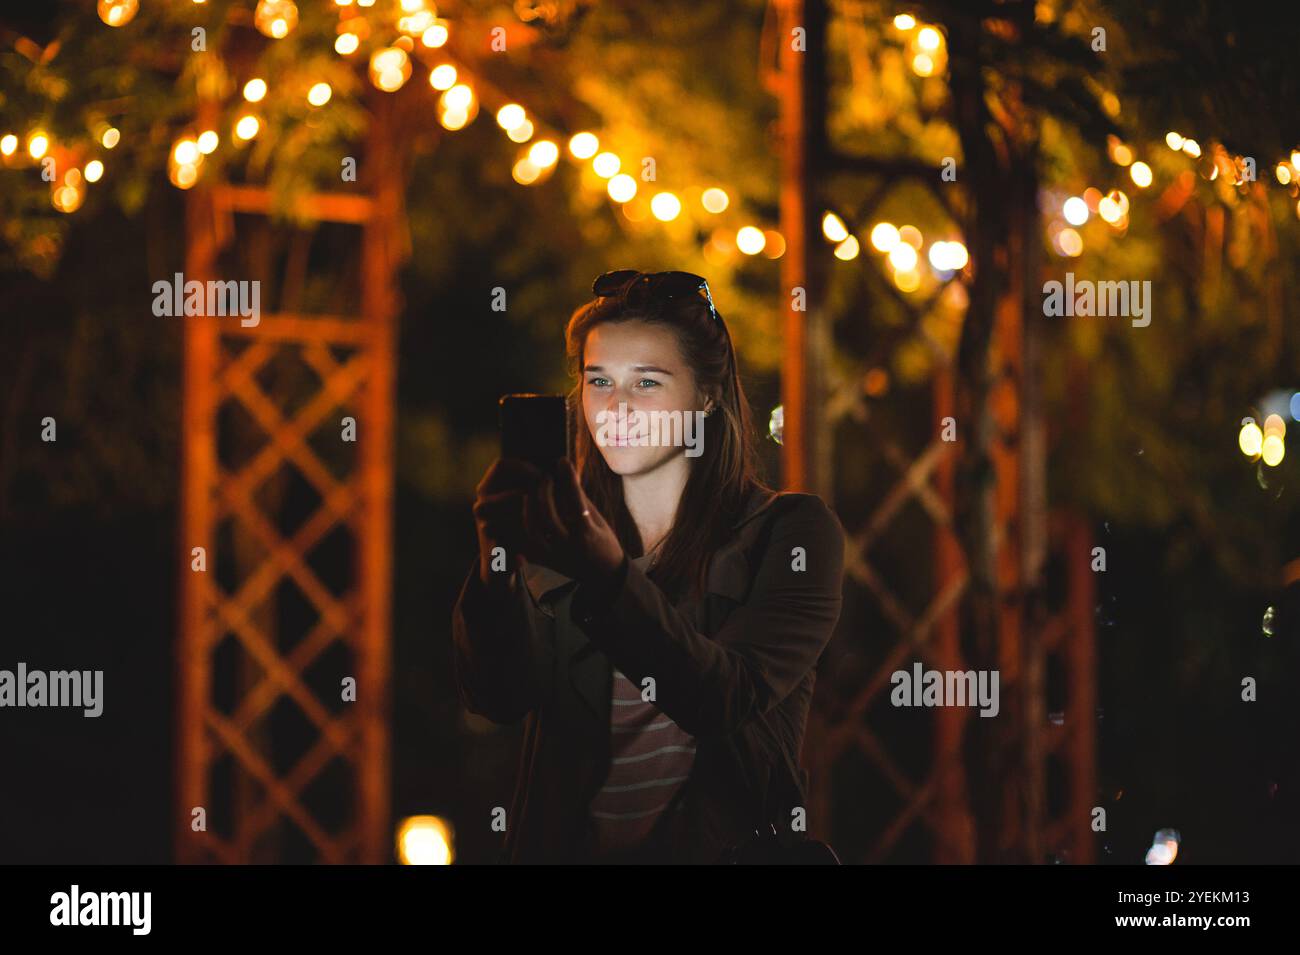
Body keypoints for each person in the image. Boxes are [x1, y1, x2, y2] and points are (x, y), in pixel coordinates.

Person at [451, 269, 846, 863]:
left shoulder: (788, 533)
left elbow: (722, 698)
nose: (617, 406)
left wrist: (611, 578)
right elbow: (499, 696)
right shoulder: (560, 542)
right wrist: (496, 565)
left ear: (706, 397)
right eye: (599, 381)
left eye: (647, 383)